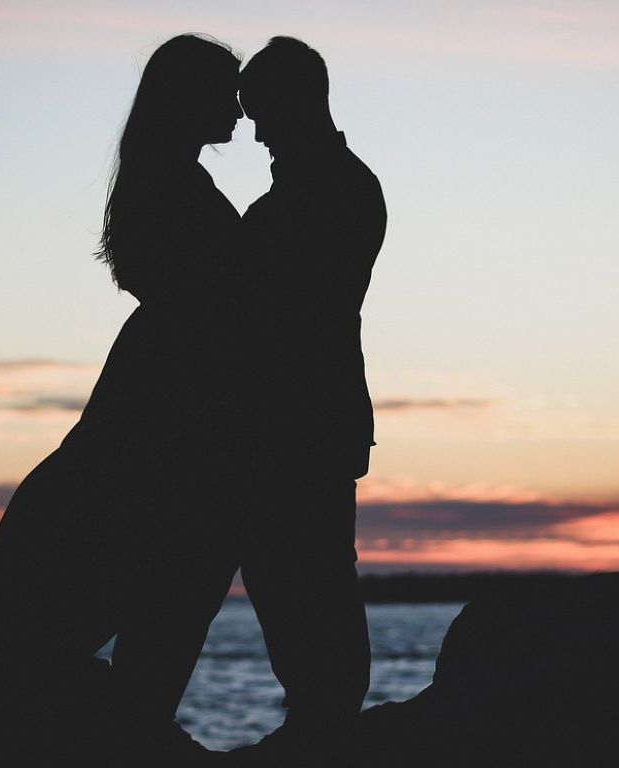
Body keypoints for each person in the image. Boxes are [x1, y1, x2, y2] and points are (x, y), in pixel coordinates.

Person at [0, 34, 245, 762]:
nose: (240, 106)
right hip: (169, 411)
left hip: (154, 394)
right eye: (227, 88)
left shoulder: (164, 180)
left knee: (145, 604)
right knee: (165, 599)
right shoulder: (178, 190)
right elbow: (216, 309)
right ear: (189, 98)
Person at [228, 36, 388, 765]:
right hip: (295, 420)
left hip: (305, 421)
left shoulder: (334, 191)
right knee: (287, 572)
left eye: (262, 114)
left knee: (310, 573)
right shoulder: (313, 189)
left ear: (301, 103)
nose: (255, 132)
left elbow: (291, 311)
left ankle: (325, 726)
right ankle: (318, 721)